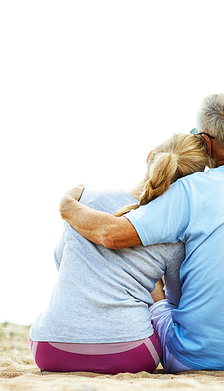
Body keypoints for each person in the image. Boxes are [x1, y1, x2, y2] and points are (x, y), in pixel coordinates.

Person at [60, 93, 224, 374]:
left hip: (192, 358)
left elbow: (111, 235)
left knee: (154, 263)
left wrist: (68, 207)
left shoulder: (190, 190)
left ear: (205, 141)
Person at [29, 133, 212, 374]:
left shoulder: (85, 200)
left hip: (50, 349)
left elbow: (60, 260)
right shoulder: (175, 231)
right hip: (129, 354)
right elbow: (176, 304)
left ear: (150, 158)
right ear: (192, 183)